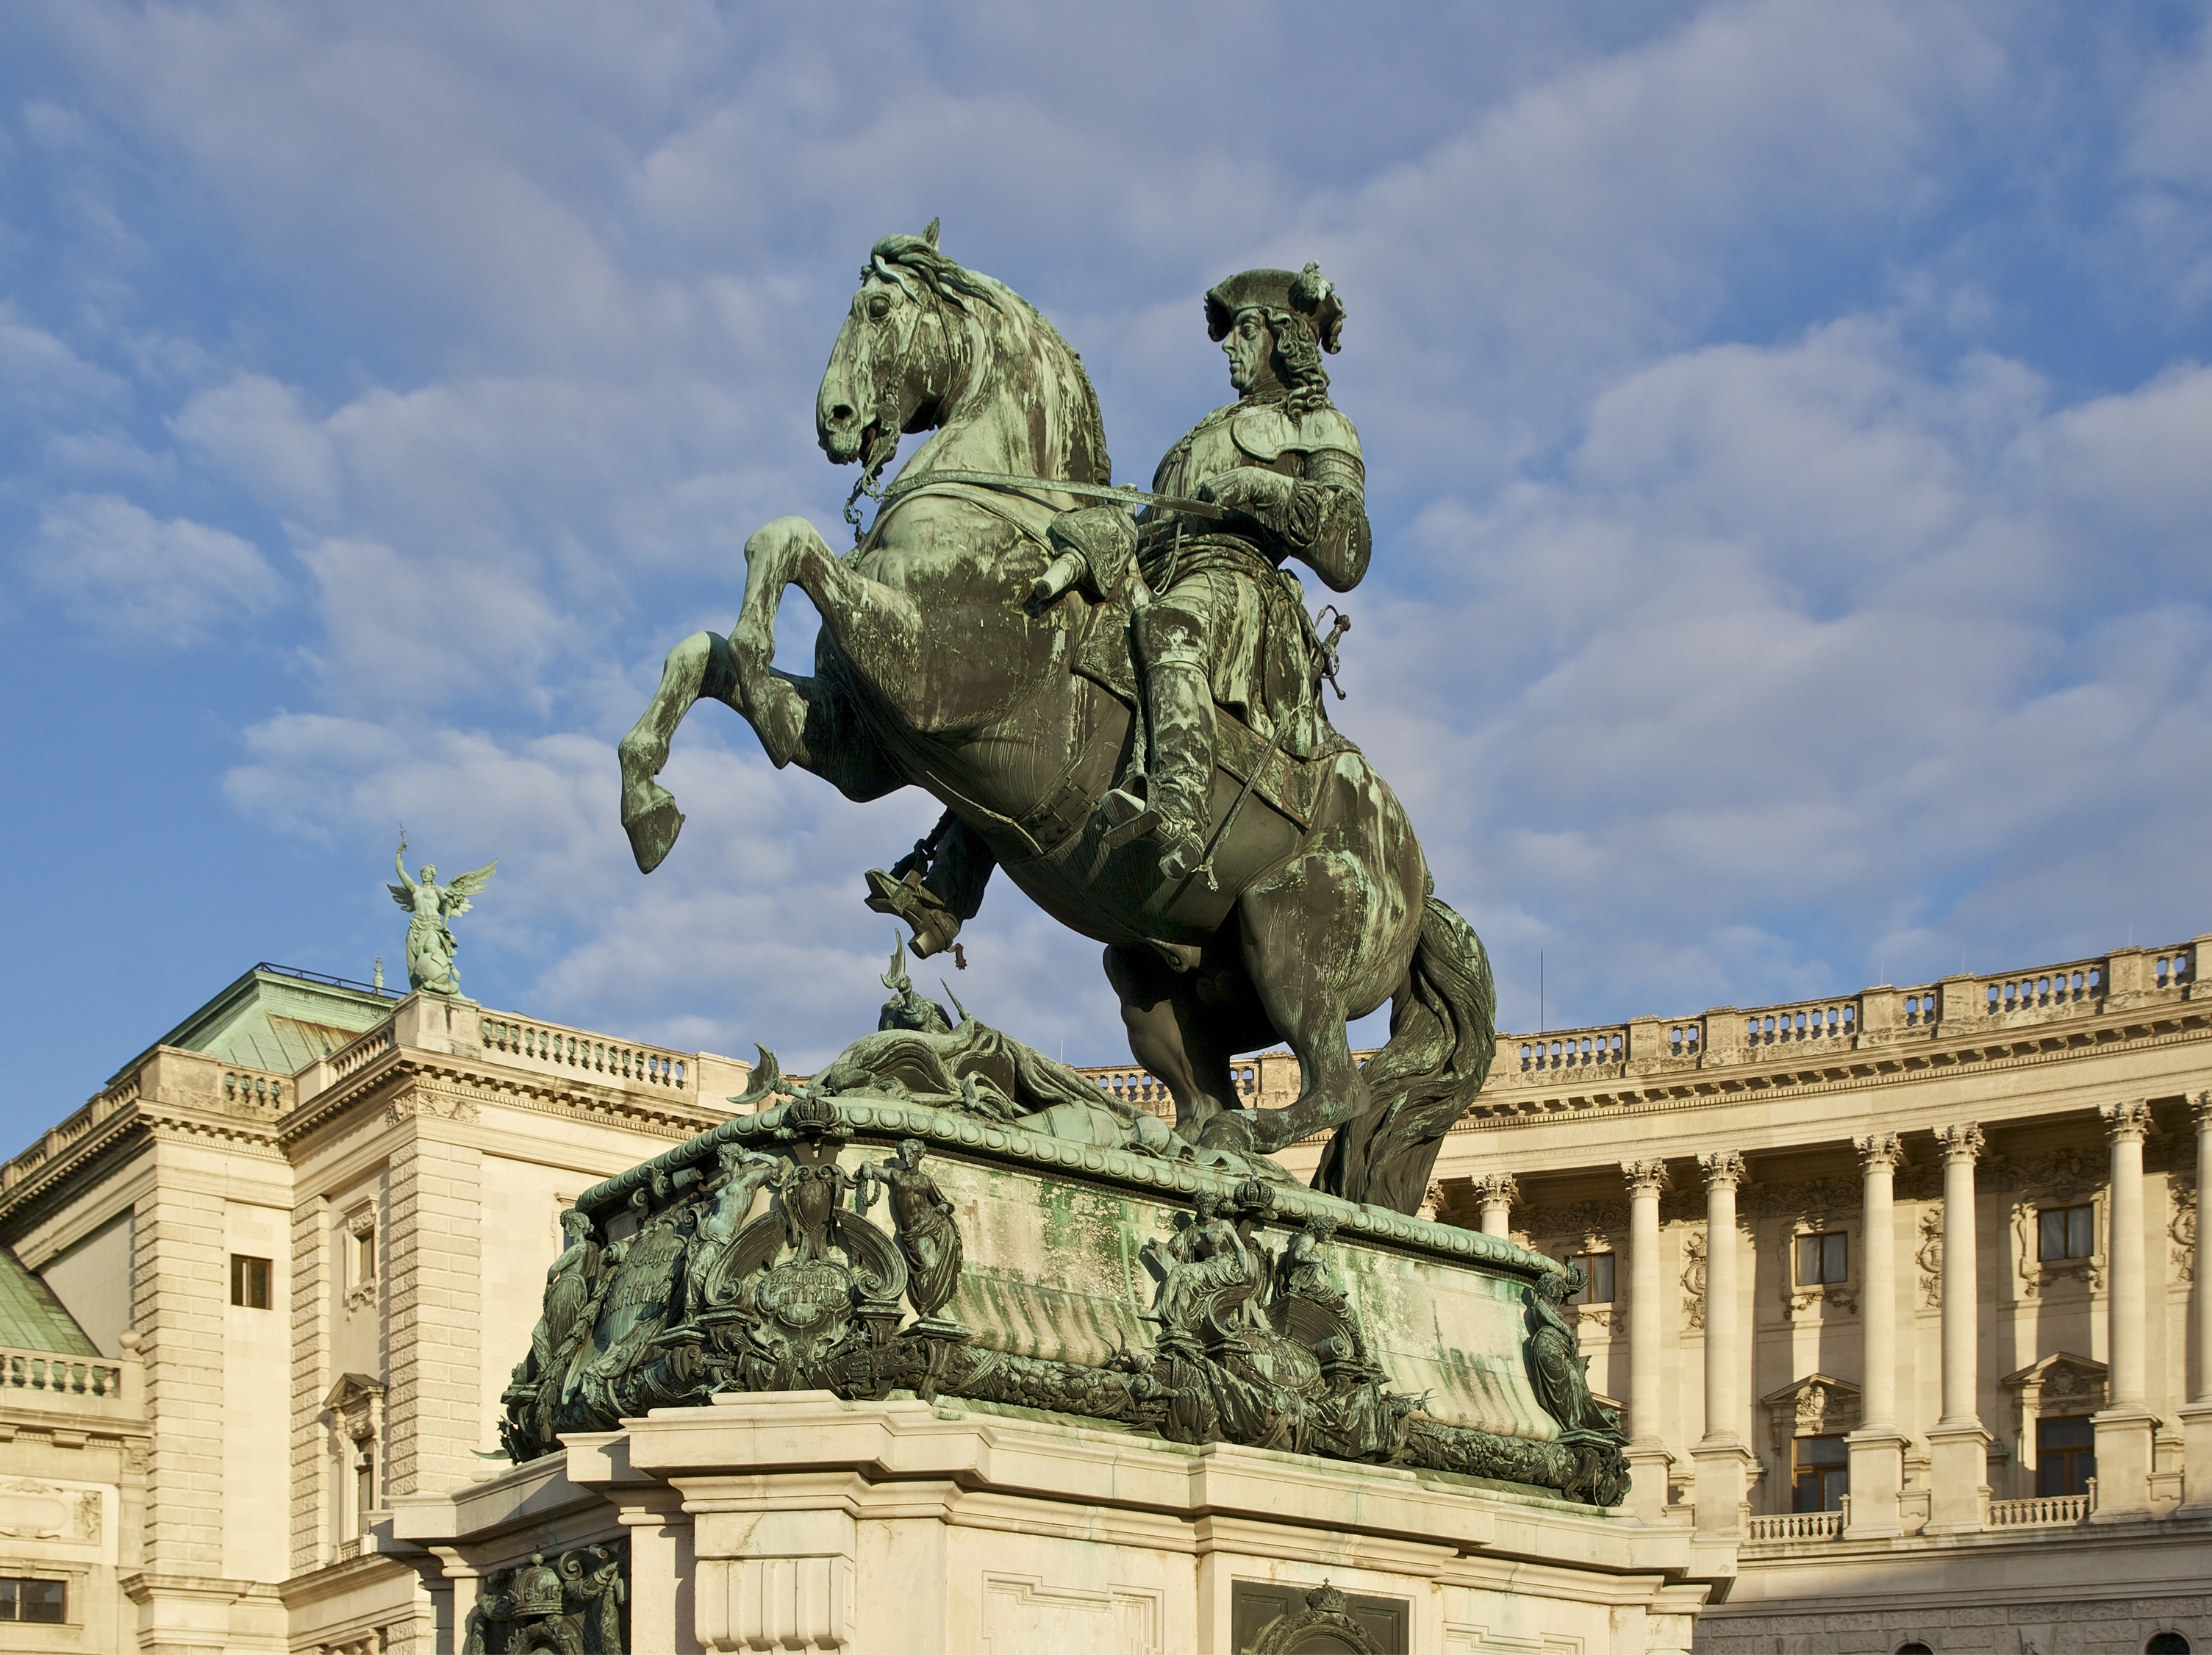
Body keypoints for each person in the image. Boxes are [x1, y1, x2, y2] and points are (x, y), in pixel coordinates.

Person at [863, 262, 1372, 944]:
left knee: (1170, 625)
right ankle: (948, 879)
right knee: (1041, 647)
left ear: (1283, 338)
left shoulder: (1319, 426)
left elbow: (1348, 548)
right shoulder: (1202, 432)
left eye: (1243, 331)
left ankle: (1181, 804)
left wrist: (1263, 489)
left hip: (1239, 589)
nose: (1228, 347)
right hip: (1160, 569)